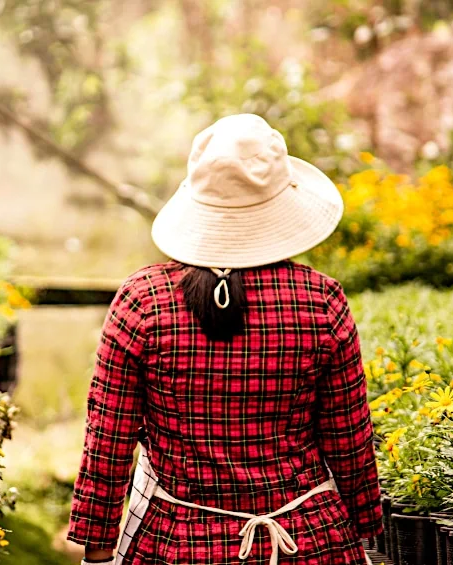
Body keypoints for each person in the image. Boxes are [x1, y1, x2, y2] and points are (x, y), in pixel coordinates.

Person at [67, 113, 382, 565]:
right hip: (310, 540)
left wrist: (97, 550)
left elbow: (108, 439)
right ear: (283, 209)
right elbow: (349, 440)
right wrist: (365, 526)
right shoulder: (321, 301)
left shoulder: (143, 301)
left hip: (178, 544)